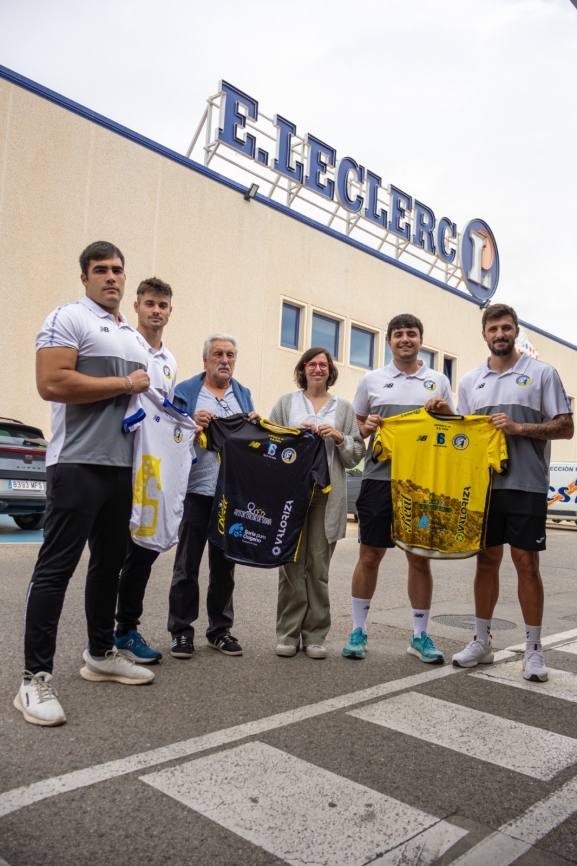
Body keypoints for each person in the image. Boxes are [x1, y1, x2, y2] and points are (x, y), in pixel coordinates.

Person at [14, 241, 154, 728]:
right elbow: (52, 384)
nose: (111, 278)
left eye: (118, 270)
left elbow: (148, 404)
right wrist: (124, 384)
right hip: (76, 463)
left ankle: (100, 654)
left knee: (111, 562)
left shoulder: (131, 336)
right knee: (56, 569)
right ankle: (33, 679)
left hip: (121, 469)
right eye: (101, 270)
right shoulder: (68, 317)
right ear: (85, 277)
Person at [452, 303, 573, 682]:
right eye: (493, 329)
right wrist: (445, 415)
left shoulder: (542, 374)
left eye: (506, 328)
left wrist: (519, 429)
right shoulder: (471, 381)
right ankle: (481, 641)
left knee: (526, 564)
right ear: (484, 334)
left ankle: (534, 650)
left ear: (516, 331)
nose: (500, 334)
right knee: (486, 562)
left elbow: (565, 427)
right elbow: (463, 435)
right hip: (484, 488)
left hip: (526, 484)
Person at [343, 314, 454, 663]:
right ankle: (359, 631)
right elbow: (357, 427)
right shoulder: (372, 380)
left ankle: (420, 636)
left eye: (412, 334)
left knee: (419, 559)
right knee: (370, 556)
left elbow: (453, 430)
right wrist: (367, 425)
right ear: (389, 341)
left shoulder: (438, 380)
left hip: (422, 484)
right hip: (379, 479)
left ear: (421, 339)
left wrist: (446, 411)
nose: (405, 339)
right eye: (399, 334)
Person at [269, 347, 365, 658]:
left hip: (328, 495)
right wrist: (293, 435)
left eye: (324, 365)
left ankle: (314, 636)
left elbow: (356, 454)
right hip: (292, 495)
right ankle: (287, 633)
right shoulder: (287, 403)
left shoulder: (344, 407)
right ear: (304, 368)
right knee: (291, 566)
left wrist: (338, 436)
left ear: (330, 371)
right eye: (312, 364)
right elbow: (271, 441)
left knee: (318, 567)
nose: (318, 369)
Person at [167, 334, 257, 658]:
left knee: (224, 568)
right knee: (186, 567)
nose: (225, 359)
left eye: (230, 354)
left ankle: (220, 630)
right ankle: (181, 631)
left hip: (230, 497)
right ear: (205, 359)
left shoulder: (243, 396)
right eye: (218, 353)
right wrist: (190, 426)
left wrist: (254, 428)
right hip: (195, 492)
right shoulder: (187, 392)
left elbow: (251, 447)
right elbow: (168, 434)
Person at [114, 277, 176, 664]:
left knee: (144, 550)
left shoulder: (169, 361)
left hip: (151, 469)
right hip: (118, 459)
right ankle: (104, 635)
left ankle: (125, 630)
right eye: (150, 303)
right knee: (114, 552)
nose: (156, 310)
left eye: (163, 305)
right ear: (136, 306)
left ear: (170, 312)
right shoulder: (124, 344)